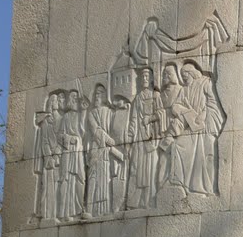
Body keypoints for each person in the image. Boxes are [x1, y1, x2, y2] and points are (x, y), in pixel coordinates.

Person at [171, 61, 226, 195]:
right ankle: (181, 183)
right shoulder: (184, 89)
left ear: (191, 73)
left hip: (204, 124)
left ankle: (205, 187)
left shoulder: (205, 82)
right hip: (190, 126)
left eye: (185, 75)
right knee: (177, 145)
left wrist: (203, 115)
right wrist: (180, 110)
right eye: (182, 76)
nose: (184, 78)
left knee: (206, 154)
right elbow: (176, 105)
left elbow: (213, 102)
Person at [126, 67, 163, 209]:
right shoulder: (137, 98)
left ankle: (149, 200)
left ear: (152, 79)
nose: (145, 79)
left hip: (152, 137)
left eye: (147, 76)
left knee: (150, 170)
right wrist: (130, 137)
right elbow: (133, 119)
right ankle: (134, 202)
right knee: (137, 169)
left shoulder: (155, 96)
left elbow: (161, 114)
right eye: (143, 77)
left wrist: (150, 118)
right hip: (139, 138)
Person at [83, 84, 120, 218]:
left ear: (105, 96)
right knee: (92, 178)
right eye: (96, 94)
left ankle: (103, 209)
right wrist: (109, 139)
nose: (97, 97)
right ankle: (89, 208)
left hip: (105, 152)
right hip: (95, 149)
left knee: (104, 179)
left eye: (100, 94)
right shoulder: (91, 114)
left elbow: (117, 127)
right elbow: (95, 131)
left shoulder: (109, 112)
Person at [31, 91, 61, 221]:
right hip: (48, 158)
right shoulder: (45, 122)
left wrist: (57, 154)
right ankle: (45, 214)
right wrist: (49, 157)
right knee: (46, 187)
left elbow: (61, 139)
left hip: (58, 158)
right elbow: (44, 142)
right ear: (51, 104)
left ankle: (53, 214)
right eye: (56, 101)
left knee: (55, 188)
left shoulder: (59, 119)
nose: (58, 103)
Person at [56, 89, 86, 221]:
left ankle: (79, 210)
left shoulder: (80, 115)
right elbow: (60, 136)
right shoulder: (66, 117)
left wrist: (84, 111)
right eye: (72, 98)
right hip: (68, 152)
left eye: (76, 98)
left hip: (78, 151)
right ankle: (64, 213)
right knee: (66, 181)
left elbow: (84, 131)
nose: (74, 100)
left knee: (80, 179)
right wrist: (69, 139)